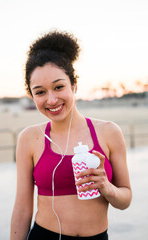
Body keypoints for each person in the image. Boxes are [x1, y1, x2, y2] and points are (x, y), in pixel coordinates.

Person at [10, 30, 132, 240]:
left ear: (74, 85)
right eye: (40, 92)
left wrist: (107, 188)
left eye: (59, 87)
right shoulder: (29, 139)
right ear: (31, 95)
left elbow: (125, 199)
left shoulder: (109, 132)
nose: (51, 100)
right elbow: (22, 210)